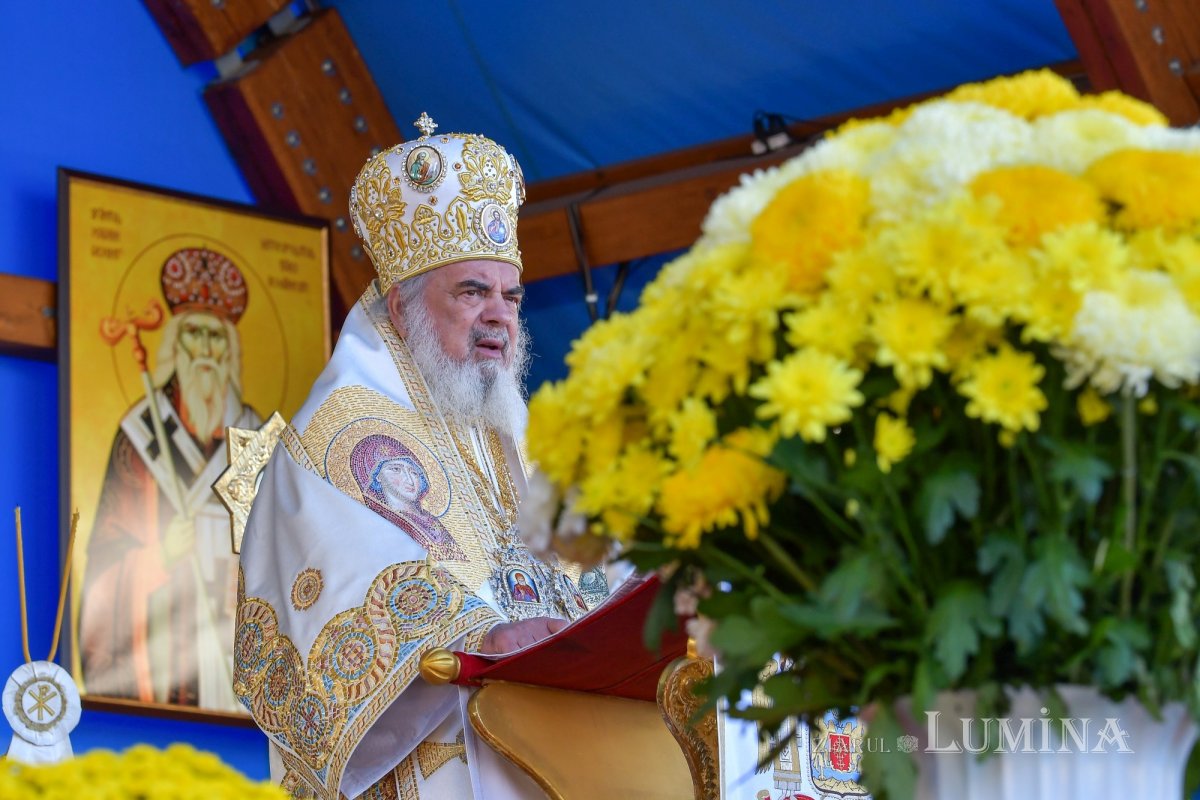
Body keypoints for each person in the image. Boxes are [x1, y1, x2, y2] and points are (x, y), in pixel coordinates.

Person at [235, 115, 603, 799]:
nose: (500, 314)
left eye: (510, 295)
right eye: (471, 292)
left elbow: (595, 569)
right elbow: (338, 591)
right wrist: (480, 637)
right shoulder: (333, 437)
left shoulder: (519, 437)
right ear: (401, 309)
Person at [80, 248, 261, 711]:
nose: (205, 351)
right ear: (175, 347)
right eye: (193, 335)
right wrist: (157, 555)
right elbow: (106, 552)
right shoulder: (141, 437)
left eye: (216, 338)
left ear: (231, 351)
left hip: (233, 638)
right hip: (166, 646)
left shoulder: (256, 438)